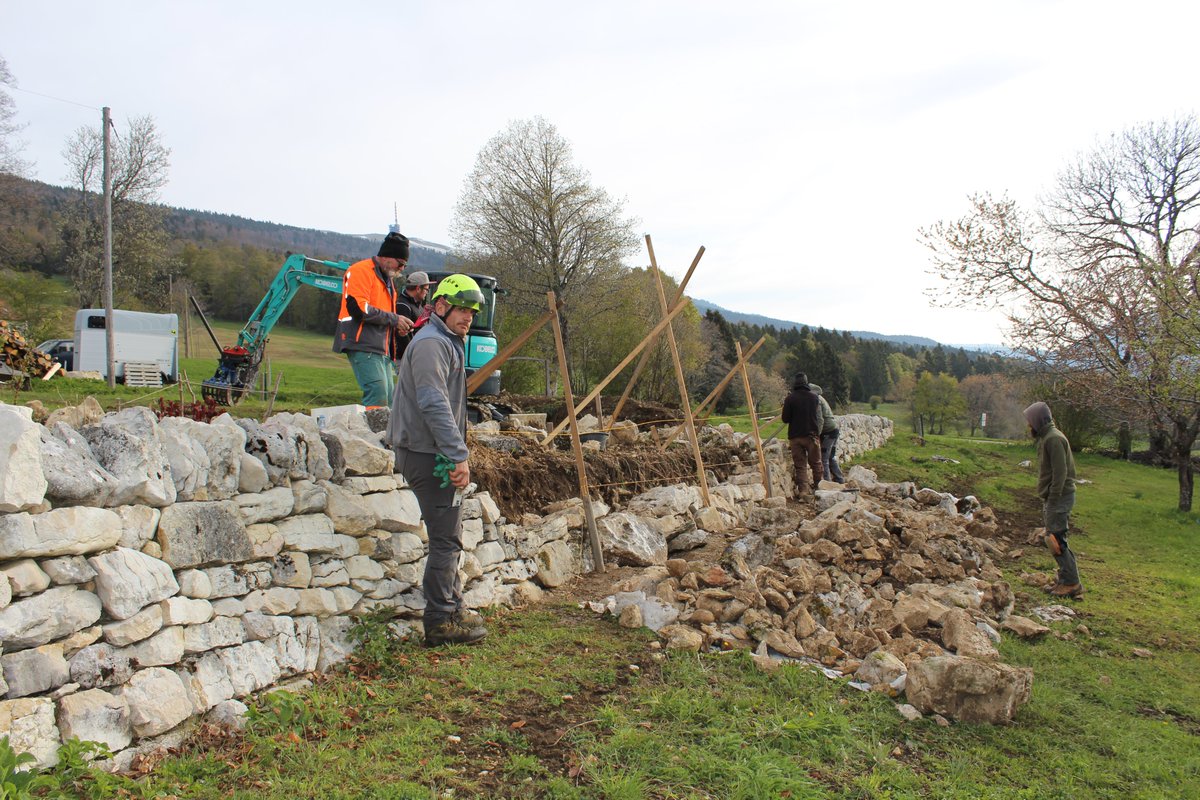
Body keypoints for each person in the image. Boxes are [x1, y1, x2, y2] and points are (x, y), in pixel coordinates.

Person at [386, 274, 490, 646]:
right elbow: (433, 403)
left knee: (450, 533)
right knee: (446, 538)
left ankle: (452, 606)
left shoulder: (445, 341)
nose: (468, 317)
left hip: (432, 451)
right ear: (441, 306)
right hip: (428, 454)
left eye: (473, 311)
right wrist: (457, 454)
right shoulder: (432, 344)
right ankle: (441, 622)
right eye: (462, 309)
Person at [332, 232, 413, 409]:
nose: (401, 269)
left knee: (389, 398)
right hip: (361, 342)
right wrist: (394, 319)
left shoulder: (387, 280)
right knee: (378, 393)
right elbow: (358, 308)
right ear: (387, 257)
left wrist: (397, 328)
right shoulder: (361, 271)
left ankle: (385, 433)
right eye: (401, 264)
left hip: (380, 347)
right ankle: (376, 435)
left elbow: (383, 315)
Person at [1024, 401, 1083, 598]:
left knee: (1055, 539)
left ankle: (1071, 583)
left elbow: (1061, 472)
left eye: (1030, 422)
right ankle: (1066, 579)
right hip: (1054, 496)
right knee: (1056, 538)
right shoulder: (1047, 437)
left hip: (1059, 497)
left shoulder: (1053, 439)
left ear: (1038, 421)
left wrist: (1054, 497)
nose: (1028, 426)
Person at [781, 372, 823, 496]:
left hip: (795, 437)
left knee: (800, 466)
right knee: (816, 463)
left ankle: (803, 491)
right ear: (806, 383)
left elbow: (785, 419)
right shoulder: (814, 398)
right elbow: (817, 416)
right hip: (812, 436)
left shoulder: (790, 398)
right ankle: (819, 489)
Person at [393, 270, 435, 365]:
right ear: (418, 288)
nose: (427, 293)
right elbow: (402, 337)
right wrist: (414, 356)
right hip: (407, 359)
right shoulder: (403, 305)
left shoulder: (417, 305)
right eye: (426, 290)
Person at [809, 384, 844, 483]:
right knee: (830, 457)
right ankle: (839, 479)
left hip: (828, 433)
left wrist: (817, 434)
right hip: (833, 431)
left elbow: (820, 420)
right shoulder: (819, 398)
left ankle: (827, 483)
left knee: (824, 459)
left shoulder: (816, 400)